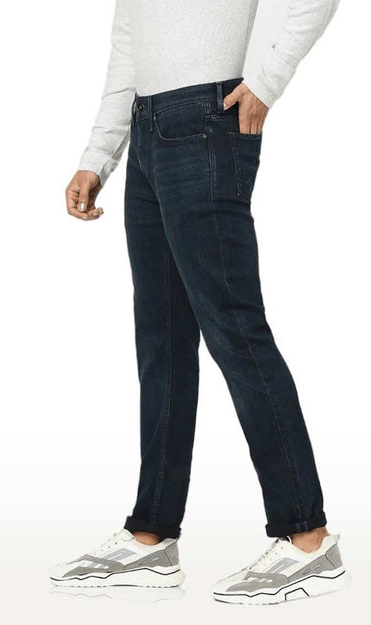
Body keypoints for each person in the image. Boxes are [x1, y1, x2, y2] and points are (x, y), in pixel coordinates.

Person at [51, 0, 351, 604]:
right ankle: (151, 537)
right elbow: (129, 47)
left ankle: (307, 539)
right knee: (160, 341)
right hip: (147, 129)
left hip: (207, 120)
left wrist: (266, 83)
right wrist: (97, 156)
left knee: (236, 333)